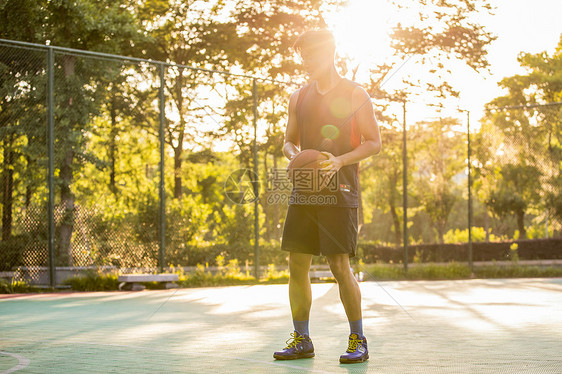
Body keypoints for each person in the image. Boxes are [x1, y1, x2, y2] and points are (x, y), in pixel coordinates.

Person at [273, 29, 382, 364]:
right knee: (296, 263)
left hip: (340, 189)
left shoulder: (354, 94)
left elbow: (374, 142)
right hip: (305, 189)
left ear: (330, 52)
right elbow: (288, 142)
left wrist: (340, 160)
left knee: (339, 264)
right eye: (303, 54)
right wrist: (295, 155)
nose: (306, 60)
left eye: (311, 53)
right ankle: (302, 338)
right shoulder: (298, 97)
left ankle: (358, 339)